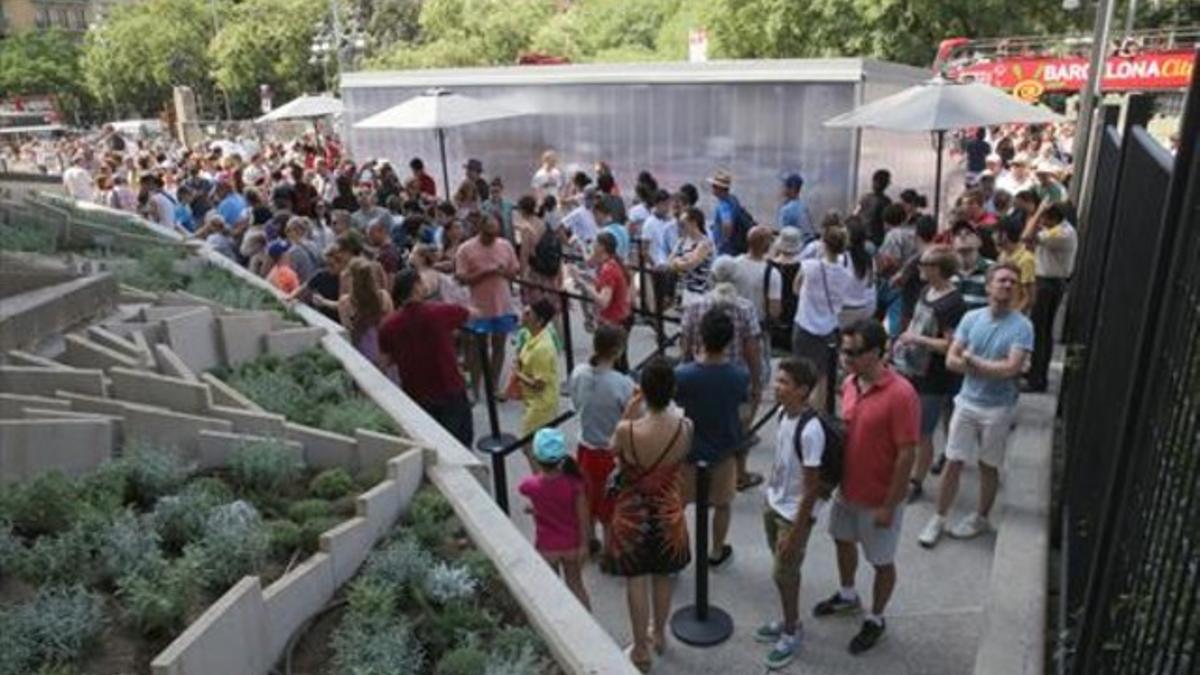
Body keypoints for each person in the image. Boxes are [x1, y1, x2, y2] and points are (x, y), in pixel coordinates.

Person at [812, 319, 918, 655]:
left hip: (879, 497)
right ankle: (847, 595)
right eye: (843, 351)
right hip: (847, 490)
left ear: (877, 352)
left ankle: (876, 617)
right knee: (842, 541)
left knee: (880, 560)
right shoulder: (851, 383)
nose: (846, 358)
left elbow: (906, 455)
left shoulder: (901, 395)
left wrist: (890, 504)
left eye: (854, 352)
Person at [918, 263, 1032, 547]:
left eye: (1013, 282)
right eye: (1003, 280)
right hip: (967, 402)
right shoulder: (971, 318)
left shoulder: (1023, 326)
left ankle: (981, 517)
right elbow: (951, 361)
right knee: (953, 461)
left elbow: (1011, 369)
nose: (1008, 285)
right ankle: (939, 517)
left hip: (998, 408)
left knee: (988, 465)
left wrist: (973, 361)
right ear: (989, 286)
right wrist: (977, 364)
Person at [603, 358, 692, 673]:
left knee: (636, 578)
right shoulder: (685, 426)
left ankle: (640, 649)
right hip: (669, 512)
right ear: (673, 390)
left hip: (633, 514)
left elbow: (612, 449)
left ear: (642, 391)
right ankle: (659, 634)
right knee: (663, 574)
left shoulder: (627, 430)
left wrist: (629, 410)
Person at [756, 357, 823, 670]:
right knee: (783, 572)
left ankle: (792, 629)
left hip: (792, 515)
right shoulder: (783, 414)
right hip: (775, 504)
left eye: (784, 383)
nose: (777, 387)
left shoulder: (811, 431)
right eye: (777, 380)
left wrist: (797, 530)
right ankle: (788, 620)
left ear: (803, 390)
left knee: (783, 573)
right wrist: (770, 496)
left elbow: (812, 488)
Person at [675, 307, 749, 569]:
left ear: (701, 336)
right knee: (722, 503)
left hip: (689, 449)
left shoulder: (683, 374)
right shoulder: (739, 375)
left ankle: (677, 549)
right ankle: (717, 550)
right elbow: (742, 410)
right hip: (723, 450)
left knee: (680, 504)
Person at [892, 246, 966, 500]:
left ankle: (916, 480)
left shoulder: (953, 303)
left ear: (939, 270)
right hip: (911, 367)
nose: (920, 268)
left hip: (933, 377)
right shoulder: (927, 291)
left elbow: (950, 344)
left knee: (923, 431)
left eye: (925, 264)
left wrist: (917, 339)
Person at [378, 269, 474, 446]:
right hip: (449, 389)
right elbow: (470, 313)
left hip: (416, 394)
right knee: (460, 444)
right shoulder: (438, 312)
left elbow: (385, 362)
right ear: (415, 287)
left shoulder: (387, 326)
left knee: (433, 446)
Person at [569, 325, 636, 551]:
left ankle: (589, 541)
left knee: (588, 499)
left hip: (585, 447)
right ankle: (610, 553)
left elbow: (575, 403)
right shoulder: (623, 383)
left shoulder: (579, 373)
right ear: (618, 351)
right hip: (610, 453)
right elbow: (632, 417)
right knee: (610, 507)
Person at [516, 428, 591, 609]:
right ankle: (587, 625)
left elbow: (543, 499)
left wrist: (535, 509)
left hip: (547, 546)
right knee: (576, 585)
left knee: (552, 591)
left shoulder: (529, 486)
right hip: (572, 545)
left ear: (536, 456)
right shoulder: (575, 483)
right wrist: (584, 544)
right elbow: (583, 516)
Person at [455, 211, 521, 400]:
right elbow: (461, 278)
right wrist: (485, 272)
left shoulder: (505, 245)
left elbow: (514, 270)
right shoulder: (466, 249)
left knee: (499, 345)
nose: (493, 237)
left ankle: (493, 386)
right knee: (476, 349)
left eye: (495, 232)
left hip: (502, 305)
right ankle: (475, 389)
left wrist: (507, 271)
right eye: (488, 233)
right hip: (478, 308)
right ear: (480, 230)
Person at [792, 225, 855, 411]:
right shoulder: (846, 275)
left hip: (804, 323)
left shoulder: (809, 267)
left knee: (799, 371)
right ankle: (818, 413)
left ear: (824, 244)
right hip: (829, 327)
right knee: (823, 375)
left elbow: (795, 288)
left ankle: (798, 409)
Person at [1023, 203, 1077, 392]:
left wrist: (1037, 212)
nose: (1041, 223)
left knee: (1040, 332)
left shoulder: (1060, 234)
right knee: (1042, 332)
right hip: (1050, 282)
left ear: (1052, 218)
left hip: (1048, 284)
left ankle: (1037, 379)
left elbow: (1026, 236)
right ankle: (1035, 373)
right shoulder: (1060, 230)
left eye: (1044, 219)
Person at [513, 299, 561, 442]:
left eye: (528, 314)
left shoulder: (542, 349)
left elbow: (539, 385)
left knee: (527, 445)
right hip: (531, 400)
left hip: (541, 405)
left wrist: (517, 374)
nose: (523, 315)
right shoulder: (529, 334)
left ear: (539, 321)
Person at [338, 257, 394, 369]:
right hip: (385, 353)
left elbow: (348, 330)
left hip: (361, 356)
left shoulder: (345, 303)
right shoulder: (384, 297)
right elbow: (391, 326)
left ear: (351, 278)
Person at [668, 207, 715, 306]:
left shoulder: (705, 243)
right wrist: (683, 260)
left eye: (683, 224)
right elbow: (669, 261)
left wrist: (678, 261)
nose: (680, 227)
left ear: (693, 223)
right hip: (681, 291)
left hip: (698, 294)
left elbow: (691, 264)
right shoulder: (682, 241)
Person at [996, 217, 1035, 314]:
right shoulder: (1003, 255)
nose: (993, 236)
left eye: (996, 232)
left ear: (1004, 235)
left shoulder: (1026, 259)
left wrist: (1015, 317)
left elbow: (1028, 297)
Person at [708, 169, 749, 256]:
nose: (712, 188)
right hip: (735, 247)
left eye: (714, 186)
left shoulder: (723, 205)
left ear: (720, 188)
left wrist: (723, 242)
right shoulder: (733, 199)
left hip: (727, 249)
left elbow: (727, 224)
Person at [953, 227, 993, 311]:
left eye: (968, 233)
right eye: (957, 234)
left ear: (979, 241)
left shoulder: (992, 269)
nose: (962, 236)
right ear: (952, 243)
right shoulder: (947, 270)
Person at [855, 169, 891, 246]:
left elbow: (856, 214)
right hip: (876, 239)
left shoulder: (864, 198)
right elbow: (888, 224)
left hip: (862, 238)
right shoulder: (886, 201)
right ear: (886, 184)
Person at [777, 173, 815, 241]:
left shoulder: (786, 210)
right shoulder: (803, 207)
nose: (782, 188)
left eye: (785, 186)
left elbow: (783, 236)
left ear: (792, 189)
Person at [482, 176, 516, 242]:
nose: (494, 194)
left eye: (496, 191)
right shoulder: (485, 205)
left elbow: (510, 225)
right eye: (492, 192)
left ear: (501, 190)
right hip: (490, 237)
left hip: (506, 237)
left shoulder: (508, 205)